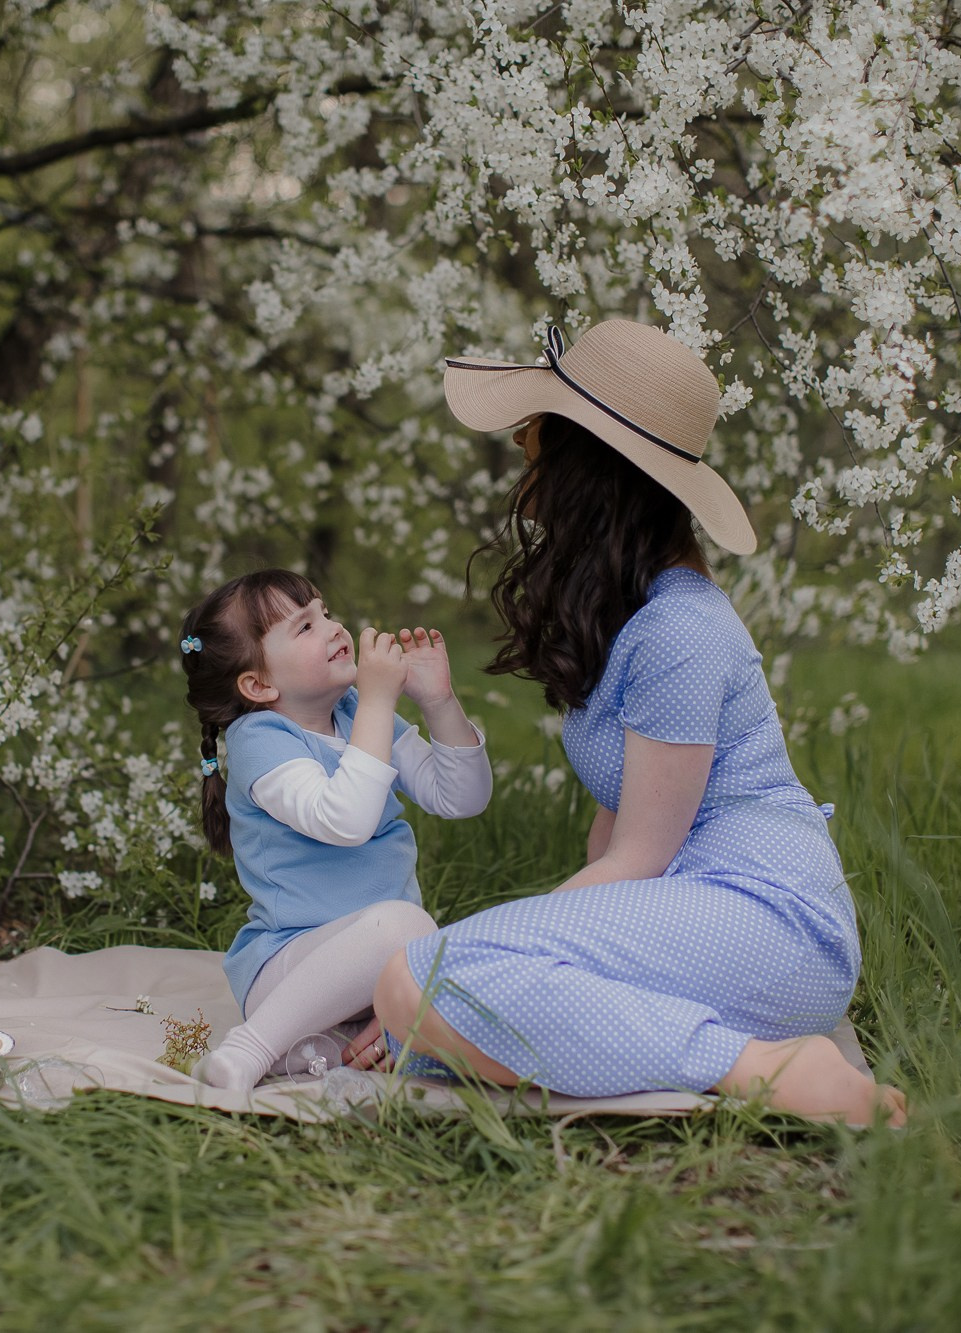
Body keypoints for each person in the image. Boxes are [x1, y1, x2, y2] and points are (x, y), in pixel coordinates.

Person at [345, 320, 906, 1128]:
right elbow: (607, 849)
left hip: (774, 923)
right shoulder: (627, 614)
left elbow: (636, 859)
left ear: (587, 471)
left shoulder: (682, 630)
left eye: (537, 441)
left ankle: (762, 1068)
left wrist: (449, 975)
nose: (524, 460)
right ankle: (454, 1006)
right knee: (426, 988)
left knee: (418, 978)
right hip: (695, 910)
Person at [178, 569, 492, 1095]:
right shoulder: (261, 739)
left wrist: (438, 702)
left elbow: (460, 798)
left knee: (472, 957)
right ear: (259, 685)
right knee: (406, 929)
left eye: (325, 612)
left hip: (375, 973)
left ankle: (322, 1051)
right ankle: (249, 1049)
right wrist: (376, 701)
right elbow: (345, 822)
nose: (333, 628)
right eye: (304, 627)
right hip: (290, 971)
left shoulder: (354, 716)